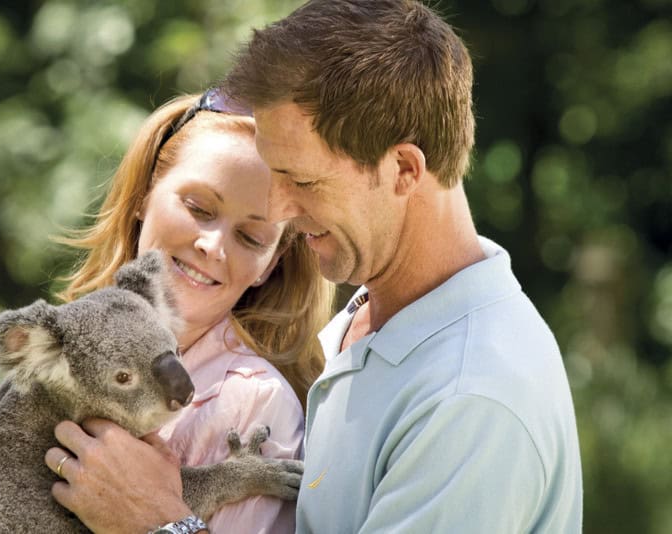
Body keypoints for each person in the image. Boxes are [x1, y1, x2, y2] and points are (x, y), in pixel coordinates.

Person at [52, 1, 584, 533]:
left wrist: (157, 523)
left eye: (302, 181)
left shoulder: (472, 402)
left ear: (402, 169)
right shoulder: (365, 324)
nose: (280, 210)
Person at [43, 90, 334, 533]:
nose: (212, 246)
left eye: (251, 238)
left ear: (269, 265)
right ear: (143, 195)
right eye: (199, 208)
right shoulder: (59, 349)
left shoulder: (252, 404)